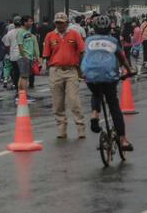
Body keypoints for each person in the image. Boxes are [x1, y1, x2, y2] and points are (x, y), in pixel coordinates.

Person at [83, 14, 134, 151]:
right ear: (109, 28)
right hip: (109, 75)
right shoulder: (113, 41)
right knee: (113, 105)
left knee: (96, 93)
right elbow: (122, 58)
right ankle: (123, 140)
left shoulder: (88, 41)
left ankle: (94, 114)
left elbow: (83, 56)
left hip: (90, 74)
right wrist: (129, 71)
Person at [43, 13, 87, 139]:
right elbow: (46, 54)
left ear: (67, 23)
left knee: (74, 101)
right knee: (57, 102)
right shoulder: (50, 36)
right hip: (55, 70)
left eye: (62, 22)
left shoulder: (74, 34)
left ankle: (80, 127)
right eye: (57, 22)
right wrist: (45, 68)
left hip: (71, 71)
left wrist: (80, 67)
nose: (59, 25)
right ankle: (61, 129)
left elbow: (82, 51)